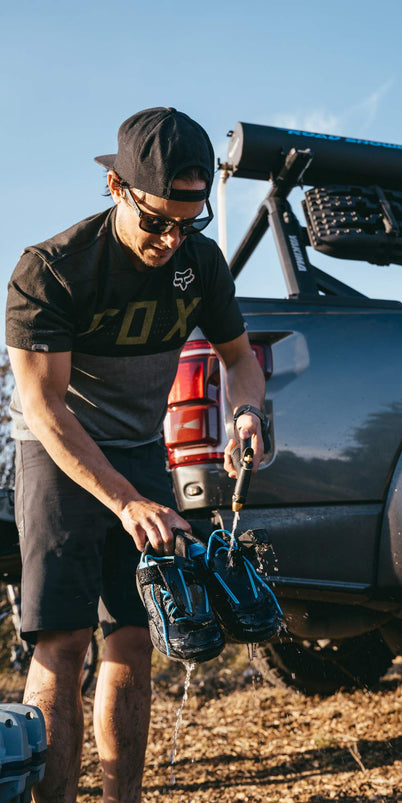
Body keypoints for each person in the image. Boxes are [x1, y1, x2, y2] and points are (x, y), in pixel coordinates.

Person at [5, 107, 268, 802]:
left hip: (142, 451)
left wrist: (247, 412)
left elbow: (238, 360)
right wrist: (124, 501)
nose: (171, 238)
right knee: (62, 638)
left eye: (189, 222)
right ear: (118, 188)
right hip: (58, 454)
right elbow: (43, 406)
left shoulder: (198, 263)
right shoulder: (51, 269)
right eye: (157, 220)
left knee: (135, 632)